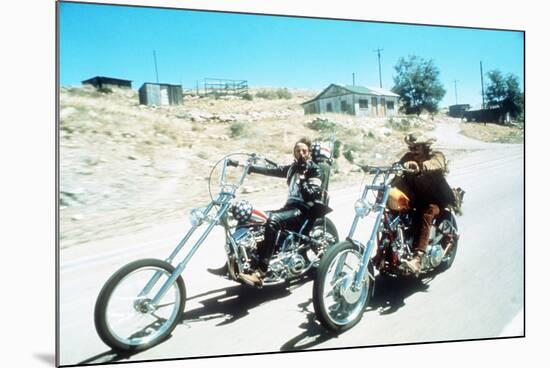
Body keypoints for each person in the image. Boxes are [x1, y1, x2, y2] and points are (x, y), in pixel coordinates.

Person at [238, 137, 324, 287]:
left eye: (304, 151)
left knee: (272, 221)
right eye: (298, 151)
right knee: (251, 217)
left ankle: (261, 272)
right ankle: (237, 263)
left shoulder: (314, 169)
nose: (301, 153)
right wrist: (249, 167)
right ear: (294, 153)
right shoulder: (292, 168)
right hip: (289, 207)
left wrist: (303, 179)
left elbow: (313, 195)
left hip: (303, 209)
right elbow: (271, 170)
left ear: (309, 153)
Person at [392, 133, 456, 275]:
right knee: (395, 213)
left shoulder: (436, 156)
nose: (413, 150)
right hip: (417, 199)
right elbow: (397, 170)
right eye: (411, 147)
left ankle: (418, 259)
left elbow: (436, 164)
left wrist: (420, 166)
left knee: (428, 212)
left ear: (425, 147)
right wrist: (387, 186)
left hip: (436, 200)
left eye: (417, 147)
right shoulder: (407, 158)